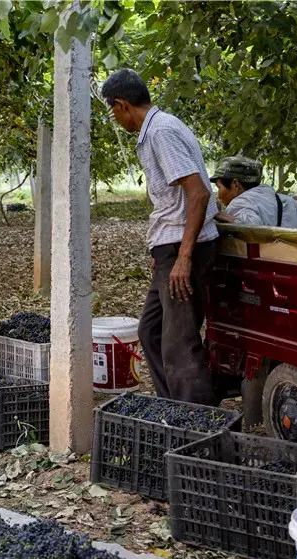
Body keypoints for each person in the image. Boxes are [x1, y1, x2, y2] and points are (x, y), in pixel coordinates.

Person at [101, 68, 219, 405]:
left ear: (122, 105)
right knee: (150, 332)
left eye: (113, 111)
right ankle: (173, 407)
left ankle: (200, 424)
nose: (115, 119)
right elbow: (192, 193)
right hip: (168, 247)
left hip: (184, 249)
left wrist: (184, 256)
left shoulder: (161, 133)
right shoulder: (163, 126)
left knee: (178, 343)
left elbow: (198, 193)